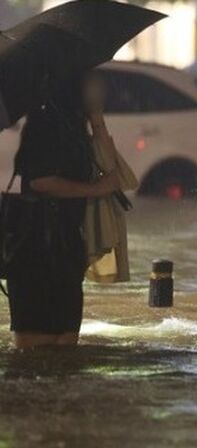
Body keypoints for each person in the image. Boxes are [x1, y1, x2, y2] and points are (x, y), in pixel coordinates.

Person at [6, 73, 122, 349]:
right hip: (35, 248)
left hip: (66, 247)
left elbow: (113, 173)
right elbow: (41, 181)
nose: (100, 86)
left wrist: (97, 119)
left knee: (66, 342)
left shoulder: (76, 126)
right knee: (34, 345)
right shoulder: (45, 123)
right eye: (91, 81)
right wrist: (95, 190)